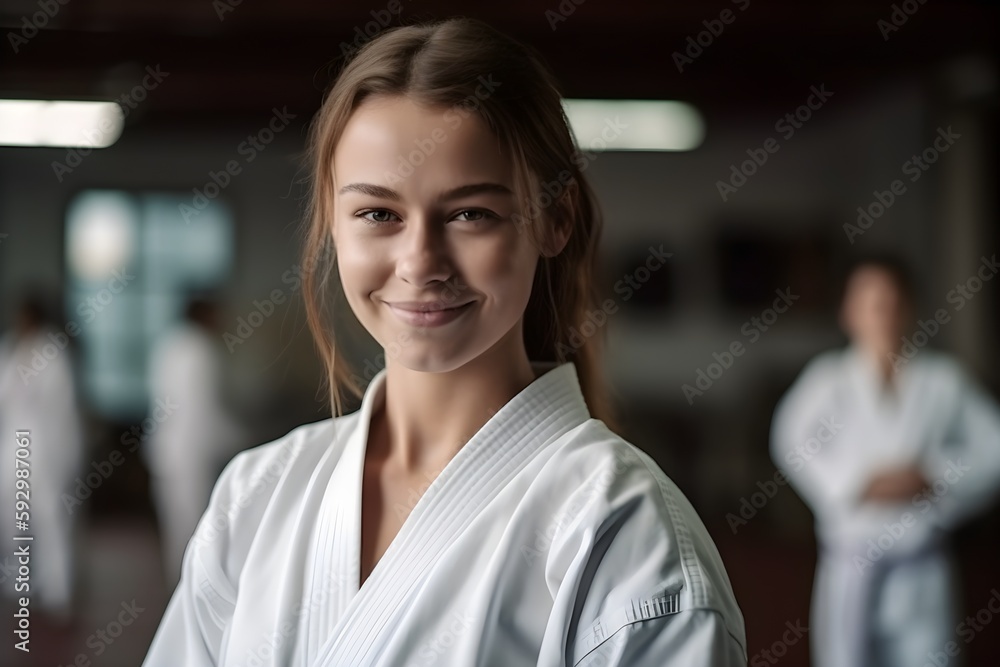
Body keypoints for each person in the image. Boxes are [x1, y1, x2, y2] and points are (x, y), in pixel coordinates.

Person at [142, 17, 746, 666]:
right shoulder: (256, 494)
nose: (420, 261)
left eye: (469, 214)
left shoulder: (622, 533)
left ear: (555, 219)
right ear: (332, 222)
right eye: (378, 214)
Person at [770, 256, 1000, 667]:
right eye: (872, 303)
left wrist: (934, 476)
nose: (884, 315)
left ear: (910, 308)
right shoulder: (828, 379)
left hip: (921, 569)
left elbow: (994, 447)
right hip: (853, 564)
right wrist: (855, 484)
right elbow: (789, 441)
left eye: (893, 303)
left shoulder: (943, 379)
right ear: (849, 311)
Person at [144, 296, 247, 589]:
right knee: (194, 526)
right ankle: (192, 592)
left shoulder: (169, 345)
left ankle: (178, 589)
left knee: (175, 524)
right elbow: (204, 410)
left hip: (166, 449)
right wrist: (242, 438)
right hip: (192, 452)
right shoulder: (202, 349)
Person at [0, 294, 85, 624]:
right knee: (13, 519)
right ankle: (19, 582)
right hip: (13, 449)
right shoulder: (10, 348)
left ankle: (57, 588)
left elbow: (60, 407)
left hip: (45, 451)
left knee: (50, 518)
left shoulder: (53, 353)